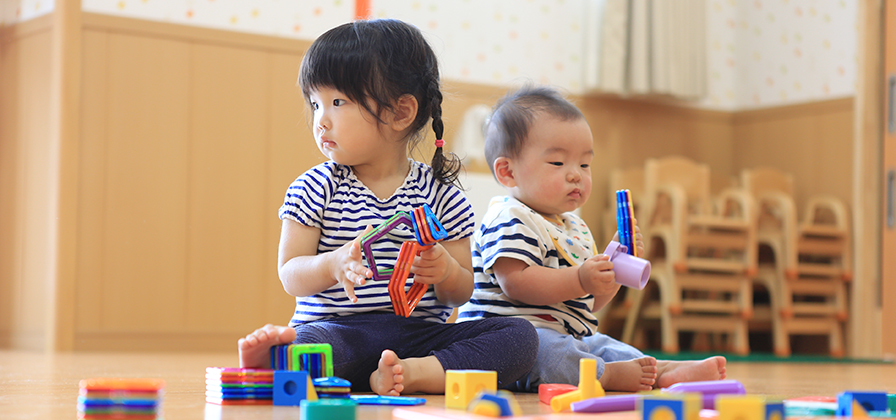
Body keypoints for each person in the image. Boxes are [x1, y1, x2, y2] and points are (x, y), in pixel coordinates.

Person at [236, 19, 538, 397]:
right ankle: (289, 359)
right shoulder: (315, 187)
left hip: (422, 338)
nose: (321, 120)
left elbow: (460, 293)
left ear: (400, 113)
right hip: (341, 332)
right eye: (315, 103)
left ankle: (412, 374)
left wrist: (444, 270)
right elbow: (290, 274)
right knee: (312, 344)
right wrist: (331, 264)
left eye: (338, 102)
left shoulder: (442, 194)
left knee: (519, 337)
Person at [456, 85, 727, 393]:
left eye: (584, 164)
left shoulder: (575, 228)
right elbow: (516, 282)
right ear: (508, 172)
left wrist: (609, 275)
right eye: (558, 163)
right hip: (509, 343)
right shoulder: (509, 217)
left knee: (600, 344)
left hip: (564, 335)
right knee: (552, 355)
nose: (576, 175)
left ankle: (660, 370)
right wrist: (582, 278)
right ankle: (607, 376)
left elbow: (586, 303)